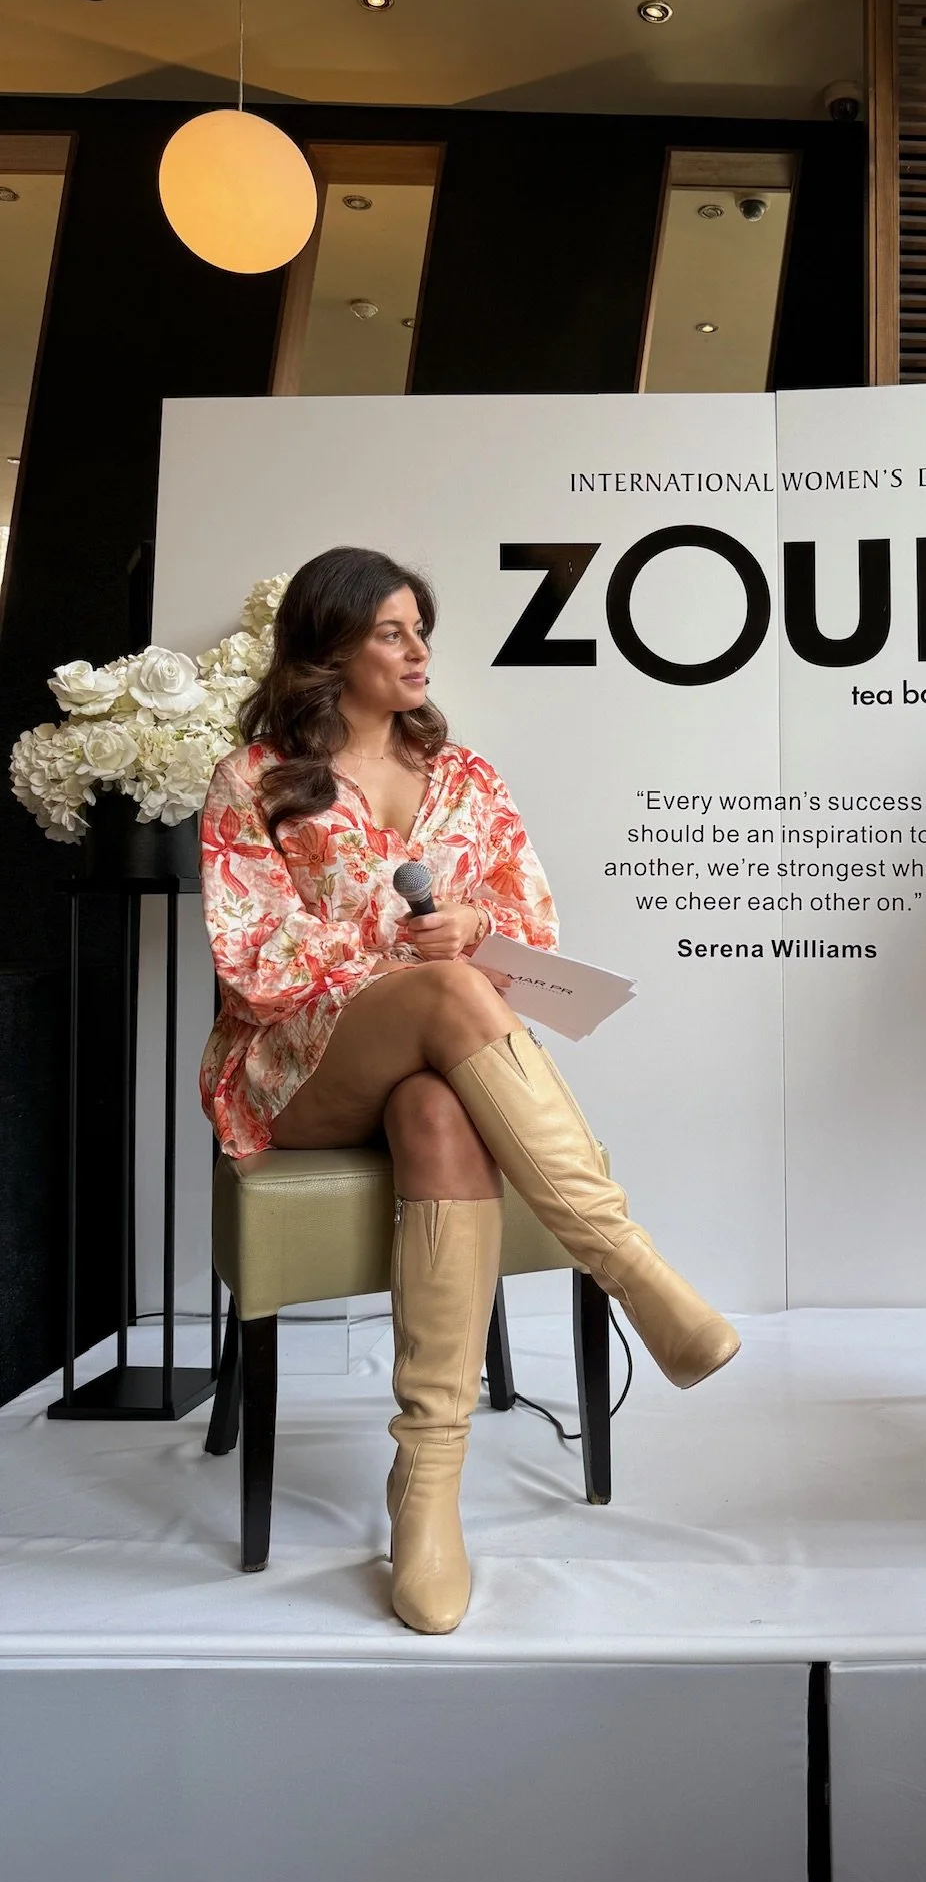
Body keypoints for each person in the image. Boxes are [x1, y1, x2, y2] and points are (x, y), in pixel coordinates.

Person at [199, 546, 739, 1633]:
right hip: (294, 1069)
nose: (418, 650)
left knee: (440, 1110)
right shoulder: (254, 778)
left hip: (428, 1058)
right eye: (393, 631)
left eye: (420, 630)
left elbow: (533, 931)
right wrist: (406, 958)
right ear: (331, 646)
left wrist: (478, 929)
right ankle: (628, 1261)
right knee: (441, 990)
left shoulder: (469, 779)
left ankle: (427, 1491)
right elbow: (251, 956)